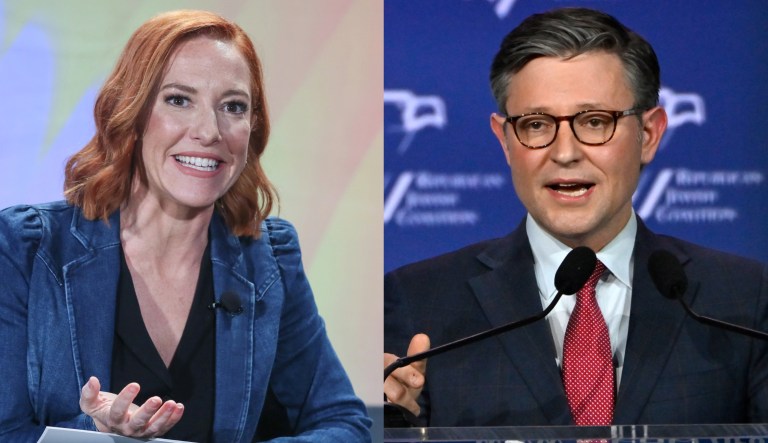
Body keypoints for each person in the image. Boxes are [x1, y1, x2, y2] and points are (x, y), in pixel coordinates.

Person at [384, 7, 768, 427]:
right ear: (505, 140)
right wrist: (387, 423)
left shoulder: (743, 300)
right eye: (535, 124)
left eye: (594, 121)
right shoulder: (418, 300)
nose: (564, 153)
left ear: (650, 134)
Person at [0, 9, 371, 442]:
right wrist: (97, 433)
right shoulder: (30, 248)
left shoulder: (267, 258)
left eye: (233, 107)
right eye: (179, 100)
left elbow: (342, 425)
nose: (210, 131)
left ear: (253, 127)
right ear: (132, 114)